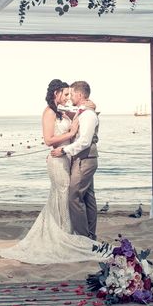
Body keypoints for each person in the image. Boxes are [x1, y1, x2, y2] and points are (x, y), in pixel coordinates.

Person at [0, 79, 102, 264]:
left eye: (71, 94)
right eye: (65, 94)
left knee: (66, 196)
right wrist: (70, 135)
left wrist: (90, 104)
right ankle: (66, 235)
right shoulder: (48, 112)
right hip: (58, 159)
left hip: (68, 158)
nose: (68, 97)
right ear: (56, 93)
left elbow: (84, 111)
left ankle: (73, 234)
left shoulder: (62, 111)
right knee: (63, 195)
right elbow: (48, 140)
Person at [51, 81, 99, 240]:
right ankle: (90, 236)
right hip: (83, 158)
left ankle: (84, 237)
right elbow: (60, 108)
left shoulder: (88, 115)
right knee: (88, 197)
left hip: (84, 158)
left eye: (71, 94)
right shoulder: (83, 111)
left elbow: (84, 141)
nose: (70, 97)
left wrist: (63, 150)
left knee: (73, 196)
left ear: (79, 94)